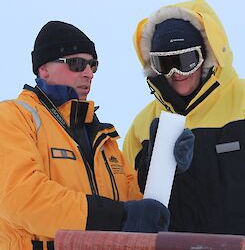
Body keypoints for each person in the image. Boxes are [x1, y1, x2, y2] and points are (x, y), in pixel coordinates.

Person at [123, 0, 245, 240]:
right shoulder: (144, 125)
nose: (176, 74)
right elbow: (128, 195)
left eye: (186, 61)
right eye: (165, 63)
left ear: (205, 56)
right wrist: (150, 169)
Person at [0, 21, 171, 250]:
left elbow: (140, 211)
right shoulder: (14, 117)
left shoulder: (103, 137)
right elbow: (22, 198)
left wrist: (163, 167)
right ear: (43, 69)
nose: (88, 73)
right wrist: (117, 218)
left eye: (93, 65)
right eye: (77, 64)